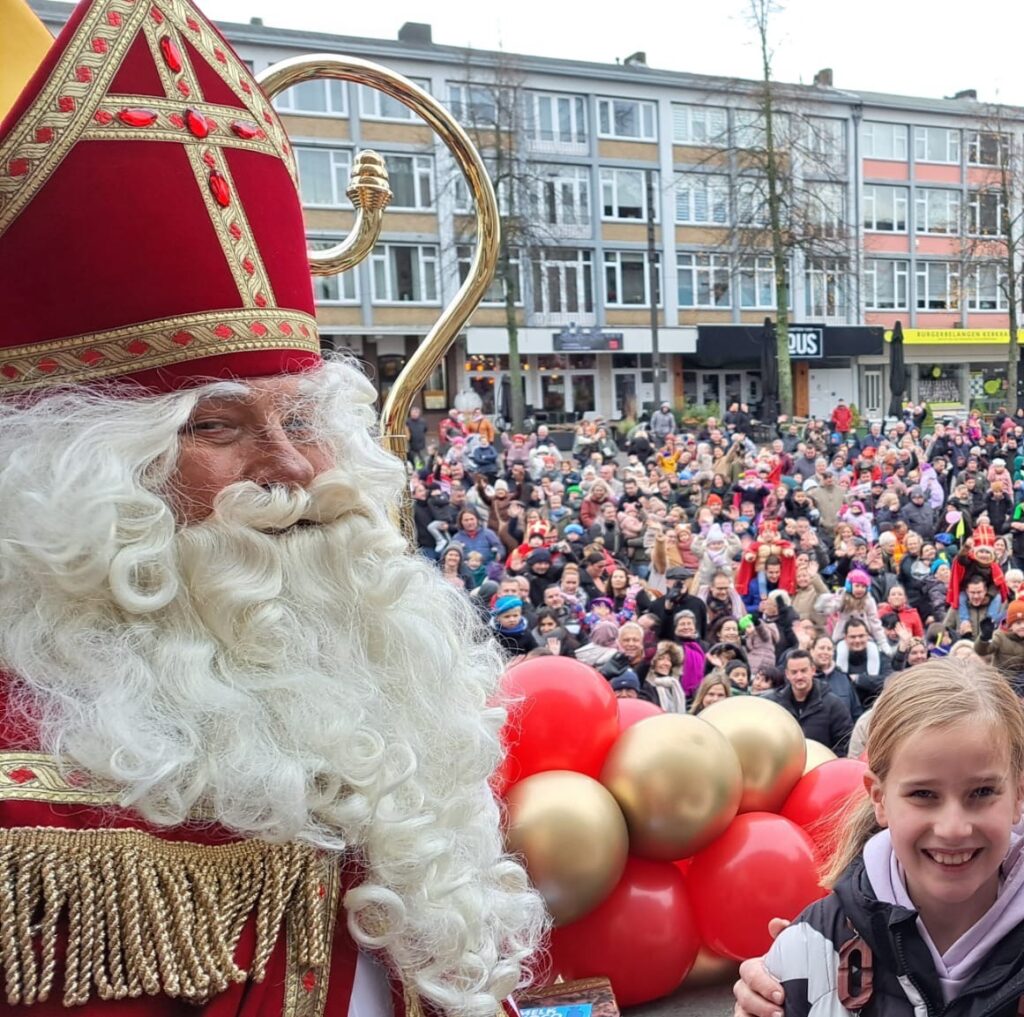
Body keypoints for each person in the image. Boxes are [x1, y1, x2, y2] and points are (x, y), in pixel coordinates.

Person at [0, 3, 544, 1013]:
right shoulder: (28, 812)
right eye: (219, 426)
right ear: (83, 487)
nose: (291, 467)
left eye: (303, 415)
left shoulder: (378, 678)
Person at [734, 659, 1024, 1017]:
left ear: (1018, 796)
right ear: (878, 798)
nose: (953, 828)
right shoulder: (810, 948)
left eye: (981, 792)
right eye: (923, 794)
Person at [769, 651, 853, 754]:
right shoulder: (775, 706)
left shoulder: (834, 705)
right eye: (794, 672)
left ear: (813, 670)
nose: (799, 676)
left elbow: (844, 742)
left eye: (803, 671)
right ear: (787, 674)